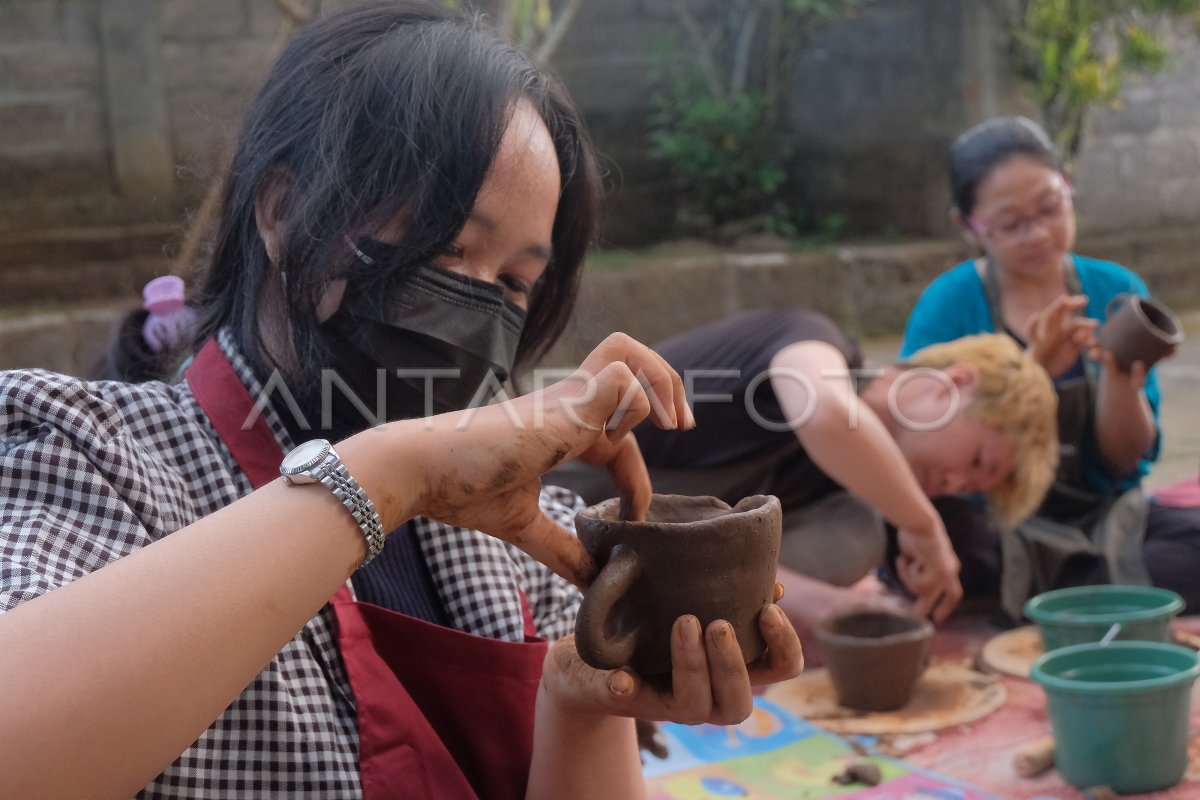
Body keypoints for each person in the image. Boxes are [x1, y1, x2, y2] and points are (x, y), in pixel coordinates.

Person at [0, 4, 804, 798]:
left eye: (516, 283)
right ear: (281, 210)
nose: (478, 306)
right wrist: (394, 472)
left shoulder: (510, 539)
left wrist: (580, 703)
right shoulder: (95, 462)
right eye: (450, 248)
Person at [550, 307, 1059, 631]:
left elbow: (708, 553)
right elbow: (827, 414)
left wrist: (832, 609)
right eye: (975, 462)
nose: (953, 485)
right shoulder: (813, 338)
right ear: (952, 384)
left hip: (639, 565)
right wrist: (922, 524)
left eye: (970, 487)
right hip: (550, 507)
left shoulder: (842, 494)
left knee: (858, 529)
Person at [900, 115, 1200, 618]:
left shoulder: (1116, 291)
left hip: (1105, 516)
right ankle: (1101, 591)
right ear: (969, 226)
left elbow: (1125, 462)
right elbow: (918, 448)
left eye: (1049, 208)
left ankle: (1057, 592)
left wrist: (1120, 383)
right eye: (1011, 224)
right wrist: (1030, 370)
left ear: (1069, 186)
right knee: (930, 544)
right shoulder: (950, 305)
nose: (1036, 234)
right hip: (996, 525)